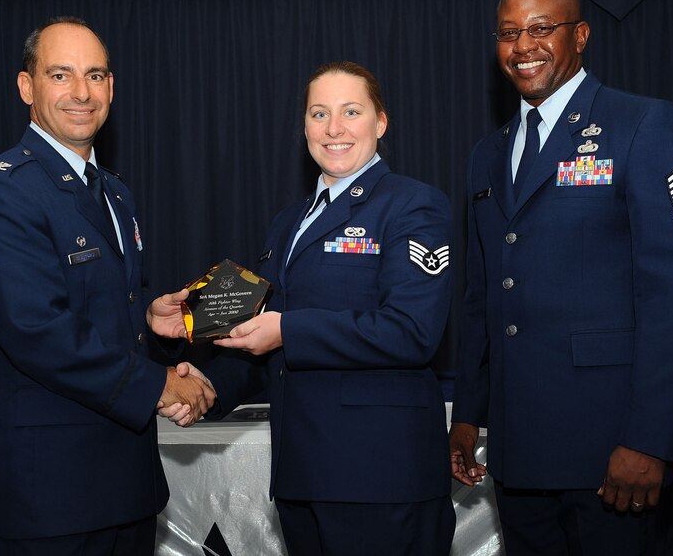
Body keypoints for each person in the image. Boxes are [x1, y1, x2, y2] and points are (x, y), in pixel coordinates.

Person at [448, 0, 673, 555]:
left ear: (582, 35)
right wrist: (469, 413)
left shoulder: (644, 125)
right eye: (509, 32)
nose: (524, 46)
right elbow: (482, 294)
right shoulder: (487, 154)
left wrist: (652, 441)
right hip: (518, 447)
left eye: (542, 28)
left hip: (612, 447)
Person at [164, 61, 456, 555]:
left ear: (380, 123)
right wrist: (210, 386)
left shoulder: (412, 205)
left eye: (351, 111)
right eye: (319, 114)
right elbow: (264, 339)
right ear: (304, 127)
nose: (334, 128)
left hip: (379, 478)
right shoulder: (288, 223)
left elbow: (412, 331)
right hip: (302, 477)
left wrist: (286, 331)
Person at [0, 16, 215, 555]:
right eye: (61, 75)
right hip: (51, 495)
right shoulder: (5, 192)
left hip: (126, 484)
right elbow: (37, 330)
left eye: (95, 75)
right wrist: (160, 385)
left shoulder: (114, 192)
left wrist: (146, 316)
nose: (81, 92)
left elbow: (95, 304)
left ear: (112, 87)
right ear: (27, 87)